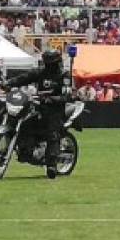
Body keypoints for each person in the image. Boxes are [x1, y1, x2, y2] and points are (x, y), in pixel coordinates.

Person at [5, 49, 72, 179]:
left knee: (52, 133)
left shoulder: (64, 75)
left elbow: (67, 93)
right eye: (47, 62)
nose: (48, 65)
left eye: (51, 63)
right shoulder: (40, 72)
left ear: (57, 62)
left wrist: (54, 98)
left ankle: (51, 164)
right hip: (39, 106)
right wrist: (9, 83)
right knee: (26, 122)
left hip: (55, 109)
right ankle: (25, 148)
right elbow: (24, 78)